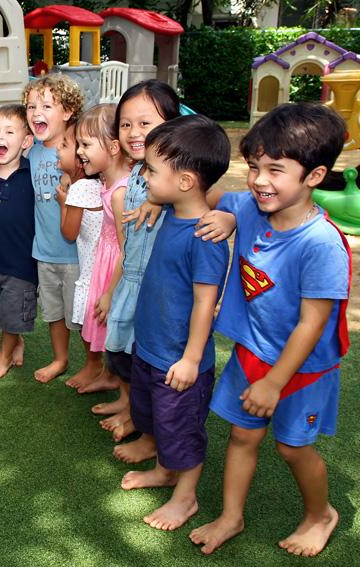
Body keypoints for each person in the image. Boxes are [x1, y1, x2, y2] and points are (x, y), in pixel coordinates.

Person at [190, 103, 350, 557]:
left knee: (292, 448)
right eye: (255, 166)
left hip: (300, 367)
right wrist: (227, 216)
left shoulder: (320, 245)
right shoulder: (253, 206)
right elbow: (221, 196)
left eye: (276, 170)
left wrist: (274, 384)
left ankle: (321, 514)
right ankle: (231, 516)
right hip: (251, 352)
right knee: (242, 436)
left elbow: (312, 323)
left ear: (314, 177)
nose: (260, 180)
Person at [120, 115, 231, 533]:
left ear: (185, 181)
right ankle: (165, 471)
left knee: (181, 430)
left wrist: (190, 359)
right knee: (151, 415)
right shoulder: (171, 210)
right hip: (151, 349)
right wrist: (154, 198)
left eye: (150, 170)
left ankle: (185, 497)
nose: (143, 175)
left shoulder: (205, 236)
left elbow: (206, 303)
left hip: (179, 363)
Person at [99, 81, 180, 454]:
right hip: (132, 280)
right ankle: (133, 409)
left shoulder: (176, 177)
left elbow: (214, 194)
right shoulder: (136, 173)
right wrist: (113, 289)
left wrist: (162, 200)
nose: (134, 133)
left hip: (157, 288)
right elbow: (128, 244)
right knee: (124, 355)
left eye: (145, 123)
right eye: (126, 124)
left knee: (148, 362)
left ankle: (148, 430)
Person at [63, 104, 131, 397]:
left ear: (114, 147)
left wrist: (110, 291)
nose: (79, 151)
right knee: (110, 332)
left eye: (86, 144)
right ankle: (109, 375)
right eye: (78, 143)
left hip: (116, 269)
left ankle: (129, 403)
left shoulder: (121, 193)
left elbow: (127, 248)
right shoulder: (108, 181)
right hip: (105, 263)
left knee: (121, 335)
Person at [23, 74, 84, 383]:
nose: (37, 113)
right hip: (44, 251)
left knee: (82, 316)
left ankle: (93, 365)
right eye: (31, 106)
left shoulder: (77, 148)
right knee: (54, 313)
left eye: (47, 105)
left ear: (67, 112)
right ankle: (60, 359)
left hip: (76, 253)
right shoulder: (31, 150)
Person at [0, 104, 37, 379]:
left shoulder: (32, 173)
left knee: (14, 310)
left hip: (22, 262)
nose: (0, 136)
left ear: (26, 141)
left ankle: (3, 356)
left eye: (9, 131)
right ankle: (16, 343)